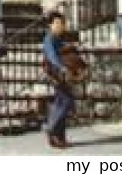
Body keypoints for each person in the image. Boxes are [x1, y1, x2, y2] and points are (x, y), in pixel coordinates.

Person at [41, 11, 80, 149]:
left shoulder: (57, 39)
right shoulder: (49, 38)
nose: (60, 26)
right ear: (50, 25)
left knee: (61, 101)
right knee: (65, 101)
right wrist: (62, 67)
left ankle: (59, 137)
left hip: (61, 74)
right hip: (56, 74)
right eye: (56, 23)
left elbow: (62, 53)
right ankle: (52, 130)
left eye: (61, 23)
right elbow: (52, 57)